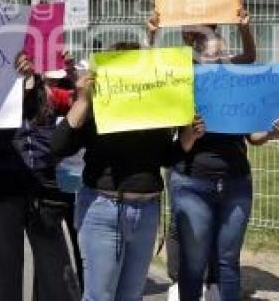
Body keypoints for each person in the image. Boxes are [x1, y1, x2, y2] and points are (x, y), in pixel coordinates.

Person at [150, 8, 279, 301]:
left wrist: (272, 133)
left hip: (236, 182)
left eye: (224, 55)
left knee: (228, 262)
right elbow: (153, 71)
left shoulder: (236, 85)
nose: (221, 60)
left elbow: (254, 137)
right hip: (193, 182)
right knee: (193, 263)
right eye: (214, 56)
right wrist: (153, 34)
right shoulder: (185, 83)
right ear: (198, 58)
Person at [51, 41, 189, 301]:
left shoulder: (155, 109)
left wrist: (186, 141)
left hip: (146, 212)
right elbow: (58, 145)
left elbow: (165, 158)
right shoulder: (98, 106)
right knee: (100, 296)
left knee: (131, 295)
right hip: (103, 210)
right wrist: (82, 101)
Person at [0, 52, 81, 301]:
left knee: (55, 268)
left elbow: (76, 109)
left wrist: (71, 76)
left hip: (45, 186)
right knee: (4, 268)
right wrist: (19, 85)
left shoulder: (52, 89)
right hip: (4, 183)